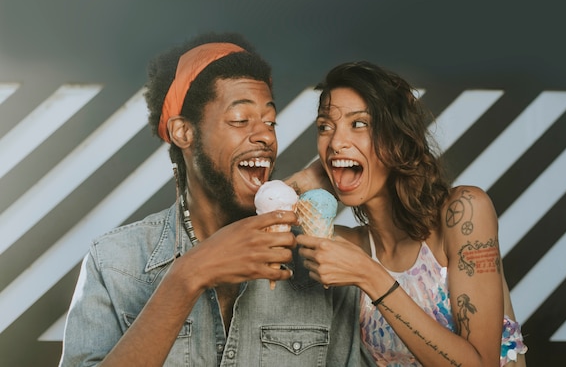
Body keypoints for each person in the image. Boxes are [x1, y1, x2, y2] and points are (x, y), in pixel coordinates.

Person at [58, 32, 362, 366]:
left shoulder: (324, 263)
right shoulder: (114, 263)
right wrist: (188, 276)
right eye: (240, 119)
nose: (265, 135)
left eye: (270, 121)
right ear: (183, 132)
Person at [297, 61, 528, 367]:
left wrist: (372, 277)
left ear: (397, 138)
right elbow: (255, 226)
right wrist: (304, 181)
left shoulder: (463, 213)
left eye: (359, 124)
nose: (335, 142)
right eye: (325, 127)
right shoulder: (348, 247)